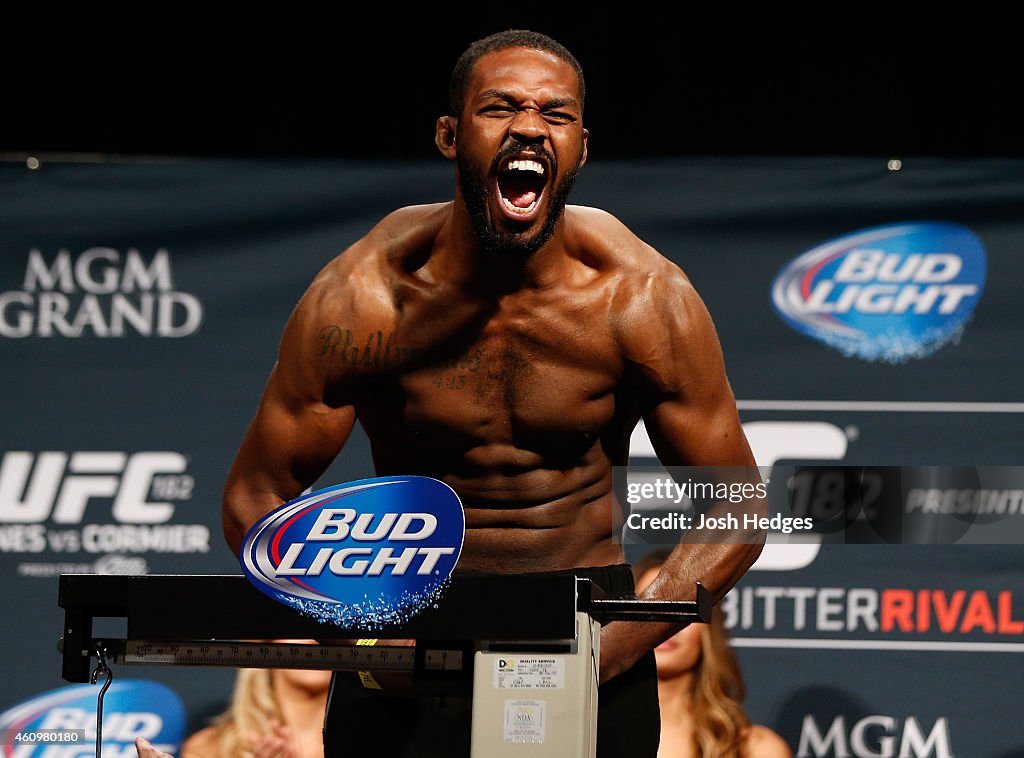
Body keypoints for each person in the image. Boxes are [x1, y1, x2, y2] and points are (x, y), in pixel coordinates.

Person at [221, 28, 766, 757]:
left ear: (580, 147)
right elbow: (255, 498)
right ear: (450, 135)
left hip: (584, 620)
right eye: (500, 108)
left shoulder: (639, 300)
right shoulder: (365, 300)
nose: (530, 128)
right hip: (404, 621)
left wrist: (611, 649)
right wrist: (362, 628)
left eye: (556, 115)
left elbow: (739, 508)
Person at [634, 550, 790, 758]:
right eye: (649, 606)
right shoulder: (587, 736)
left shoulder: (755, 750)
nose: (664, 624)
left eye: (682, 608)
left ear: (708, 628)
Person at [136, 641, 332, 758]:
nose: (313, 640)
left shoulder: (360, 748)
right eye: (299, 622)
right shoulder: (209, 749)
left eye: (327, 627)